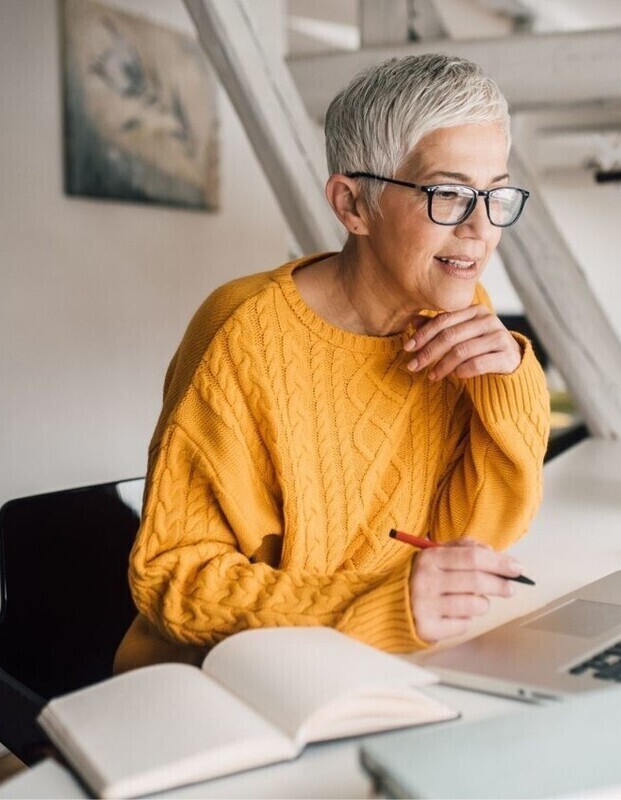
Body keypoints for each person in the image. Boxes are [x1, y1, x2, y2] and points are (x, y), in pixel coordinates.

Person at [113, 54, 550, 672]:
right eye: (448, 194)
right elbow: (174, 579)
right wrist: (375, 605)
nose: (481, 228)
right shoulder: (243, 333)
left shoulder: (453, 314)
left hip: (372, 663)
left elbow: (474, 538)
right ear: (352, 206)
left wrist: (510, 381)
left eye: (496, 193)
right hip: (219, 677)